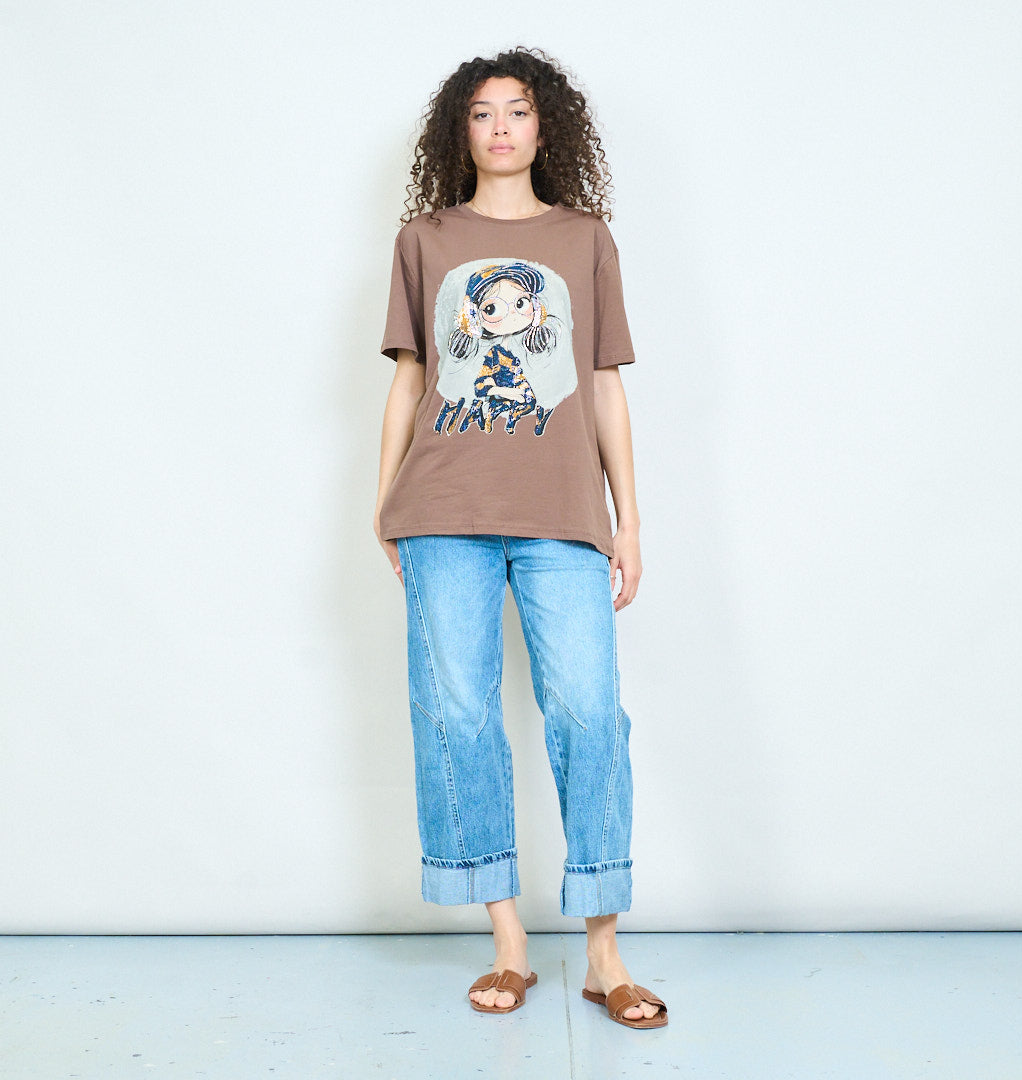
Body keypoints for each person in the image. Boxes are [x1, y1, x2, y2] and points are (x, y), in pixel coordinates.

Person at [373, 46, 667, 1030]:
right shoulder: (425, 239)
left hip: (562, 515)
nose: (500, 127)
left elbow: (606, 385)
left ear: (546, 129)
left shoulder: (585, 239)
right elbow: (411, 378)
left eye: (518, 111)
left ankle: (603, 951)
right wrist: (384, 502)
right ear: (460, 132)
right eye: (482, 113)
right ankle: (507, 942)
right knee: (457, 714)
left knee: (589, 713)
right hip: (441, 511)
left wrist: (629, 520)